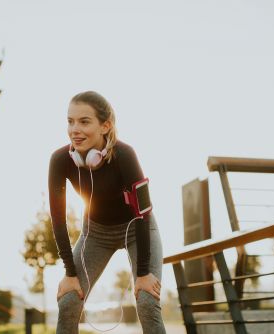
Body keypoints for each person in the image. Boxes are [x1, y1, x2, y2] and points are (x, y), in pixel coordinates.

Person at [48, 91, 166, 334]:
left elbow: (143, 213)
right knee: (69, 300)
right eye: (70, 121)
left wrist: (143, 273)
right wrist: (70, 274)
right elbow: (58, 220)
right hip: (96, 234)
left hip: (137, 229)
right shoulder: (60, 160)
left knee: (147, 300)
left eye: (84, 121)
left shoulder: (125, 155)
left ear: (106, 125)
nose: (74, 130)